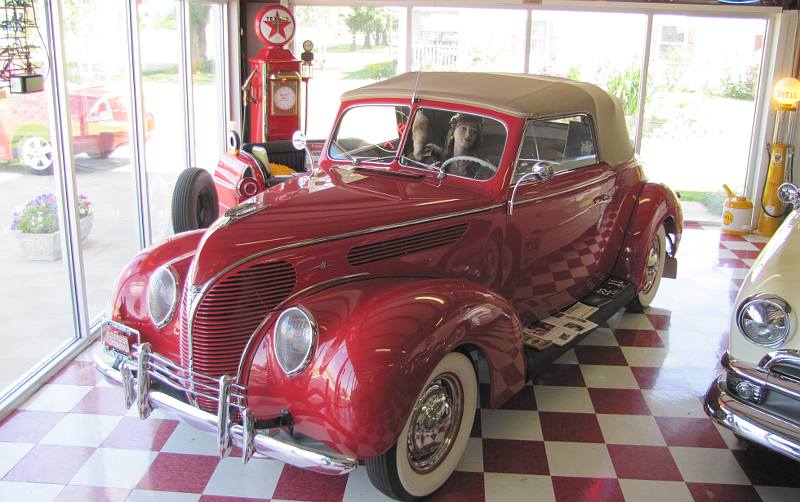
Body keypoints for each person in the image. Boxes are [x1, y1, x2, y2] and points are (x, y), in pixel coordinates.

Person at [442, 113, 492, 179]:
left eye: (473, 131)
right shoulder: (440, 159)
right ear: (453, 133)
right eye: (463, 129)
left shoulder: (482, 166)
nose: (468, 135)